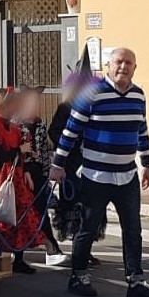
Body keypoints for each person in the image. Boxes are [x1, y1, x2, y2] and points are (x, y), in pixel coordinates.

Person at [49, 48, 149, 297]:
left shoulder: (138, 95)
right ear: (108, 65)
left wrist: (147, 163)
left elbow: (142, 130)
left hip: (127, 175)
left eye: (128, 63)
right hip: (96, 175)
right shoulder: (91, 93)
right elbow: (70, 130)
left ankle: (135, 281)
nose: (123, 67)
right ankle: (78, 276)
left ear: (135, 67)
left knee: (133, 230)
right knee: (88, 228)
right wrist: (58, 164)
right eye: (118, 62)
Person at [0, 88, 45, 274]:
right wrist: (19, 150)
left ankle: (19, 258)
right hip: (0, 177)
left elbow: (18, 154)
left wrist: (25, 172)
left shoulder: (13, 128)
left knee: (21, 216)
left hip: (15, 176)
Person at [48, 70, 102, 264]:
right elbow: (54, 132)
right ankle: (77, 251)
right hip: (71, 165)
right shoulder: (66, 108)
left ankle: (85, 250)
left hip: (92, 165)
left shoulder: (96, 108)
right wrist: (69, 144)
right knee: (73, 209)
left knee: (91, 208)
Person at [16, 85, 66, 266]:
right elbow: (18, 152)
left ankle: (50, 248)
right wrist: (26, 169)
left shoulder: (39, 123)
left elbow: (44, 150)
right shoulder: (17, 124)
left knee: (40, 209)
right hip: (23, 175)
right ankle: (48, 248)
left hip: (39, 173)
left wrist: (48, 171)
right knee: (25, 213)